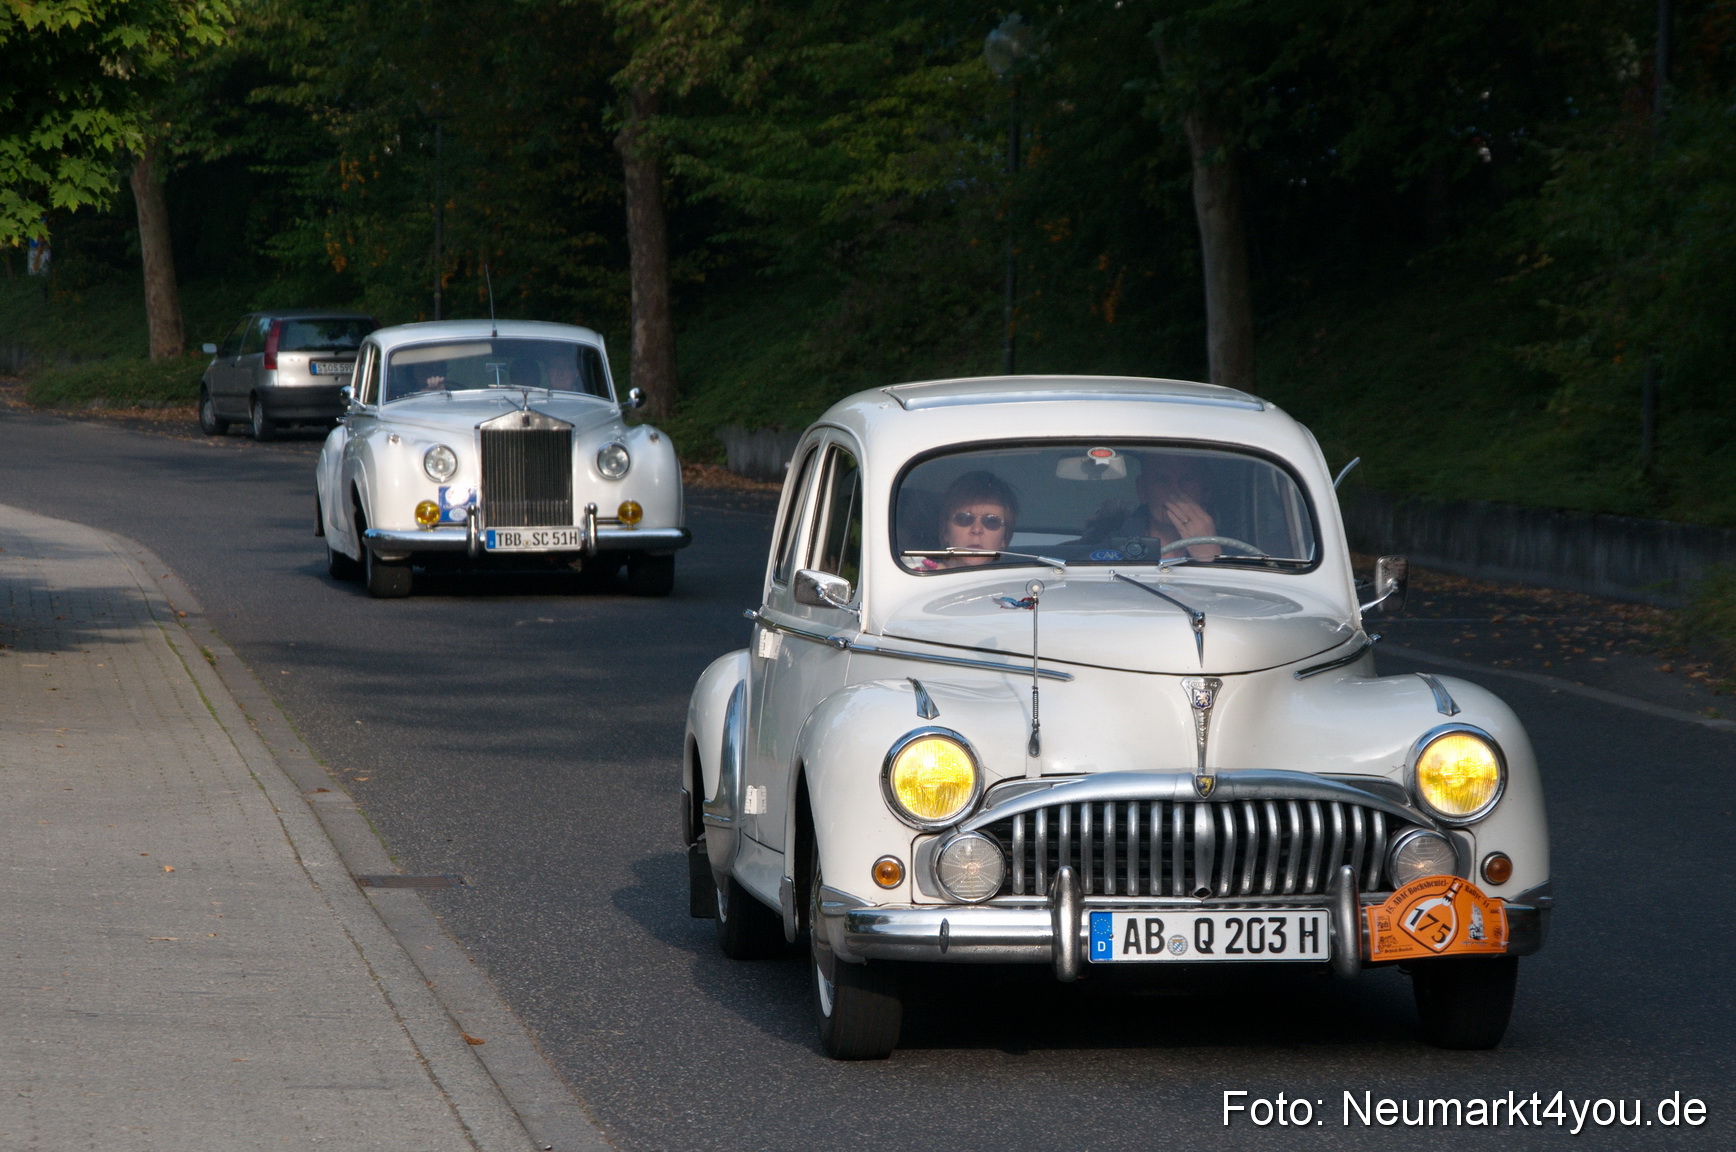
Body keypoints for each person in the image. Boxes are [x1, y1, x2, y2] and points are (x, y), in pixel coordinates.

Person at [1083, 452, 1221, 560]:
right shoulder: (1109, 553)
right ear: (1143, 490)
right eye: (1163, 480)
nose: (1175, 490)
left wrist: (1211, 555)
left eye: (1187, 479)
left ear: (1205, 490)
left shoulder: (1239, 558)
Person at [919, 471, 1018, 569]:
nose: (976, 530)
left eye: (991, 521)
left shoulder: (1021, 581)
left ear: (1005, 538)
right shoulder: (914, 579)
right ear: (945, 532)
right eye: (963, 519)